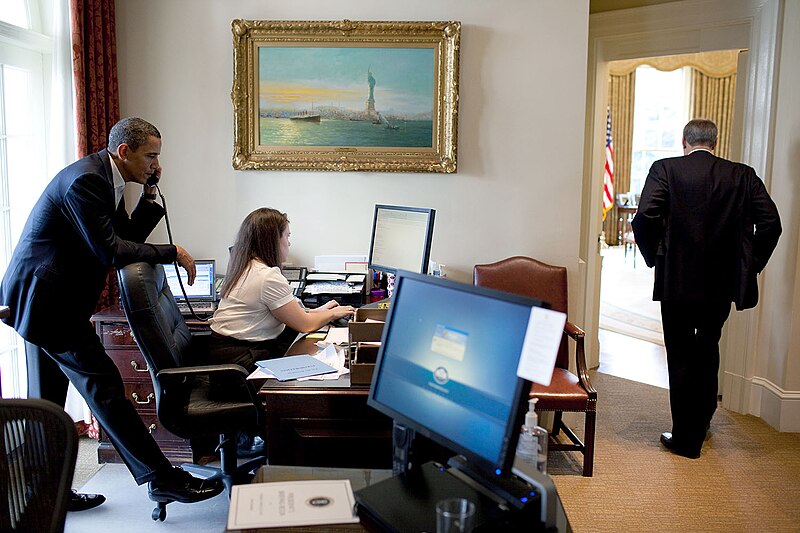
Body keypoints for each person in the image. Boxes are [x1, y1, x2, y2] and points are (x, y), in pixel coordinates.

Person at [0, 117, 223, 511]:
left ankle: (47, 495)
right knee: (104, 389)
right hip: (47, 304)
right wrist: (172, 252)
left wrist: (151, 195)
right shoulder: (87, 181)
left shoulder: (109, 178)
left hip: (47, 300)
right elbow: (111, 252)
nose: (156, 163)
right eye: (150, 156)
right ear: (125, 152)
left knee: (46, 404)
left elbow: (127, 238)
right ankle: (162, 479)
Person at [632, 118, 782, 459]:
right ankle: (702, 421)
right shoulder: (742, 174)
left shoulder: (665, 169)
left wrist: (656, 257)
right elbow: (771, 222)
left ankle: (686, 438)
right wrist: (749, 264)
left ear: (684, 140)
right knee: (708, 347)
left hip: (677, 281)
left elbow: (644, 218)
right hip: (721, 283)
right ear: (715, 141)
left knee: (681, 354)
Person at [207, 208, 355, 372]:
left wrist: (320, 312)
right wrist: (333, 314)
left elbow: (291, 314)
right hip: (239, 366)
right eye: (287, 236)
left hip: (226, 360)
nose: (289, 243)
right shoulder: (266, 277)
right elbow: (305, 325)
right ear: (272, 240)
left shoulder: (246, 267)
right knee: (321, 366)